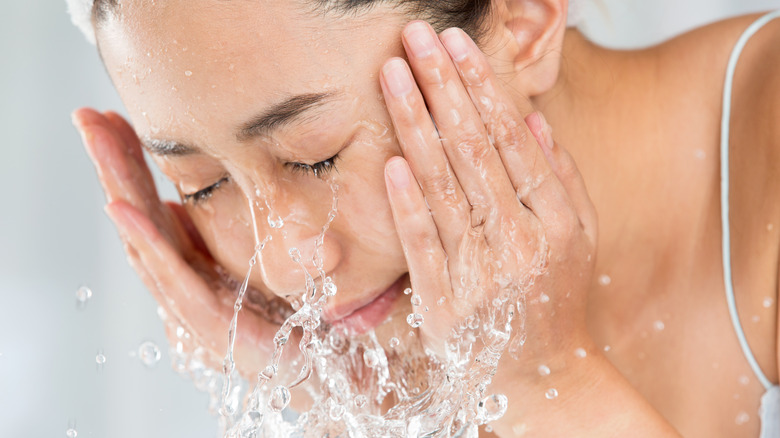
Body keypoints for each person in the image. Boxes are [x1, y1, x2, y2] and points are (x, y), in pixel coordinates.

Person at [69, 0, 779, 436]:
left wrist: (548, 382)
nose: (282, 264)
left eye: (316, 158)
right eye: (202, 184)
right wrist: (355, 415)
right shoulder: (392, 364)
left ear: (522, 19)